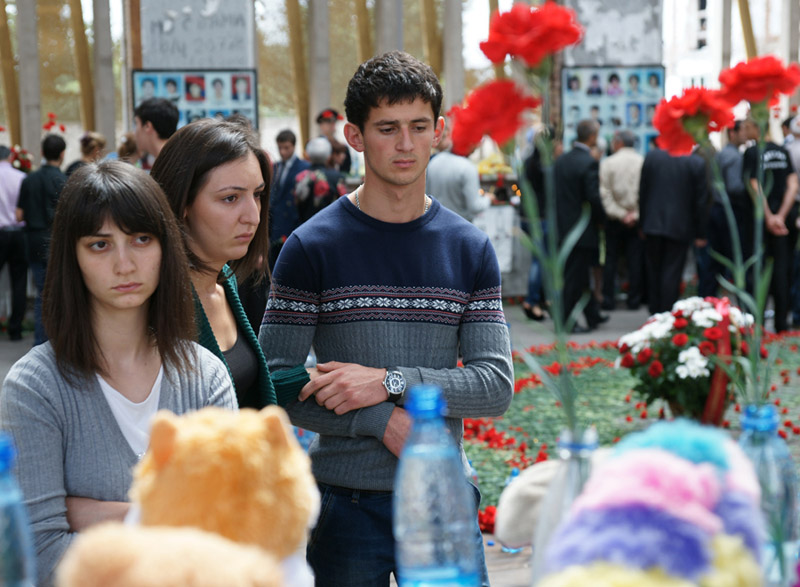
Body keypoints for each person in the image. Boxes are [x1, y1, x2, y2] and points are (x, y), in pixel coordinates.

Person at [259, 50, 513, 586]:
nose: (405, 145)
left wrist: (389, 383)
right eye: (387, 128)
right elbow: (275, 381)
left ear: (439, 131)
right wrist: (383, 421)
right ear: (354, 135)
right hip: (341, 503)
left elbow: (494, 386)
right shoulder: (310, 247)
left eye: (419, 127)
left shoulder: (469, 248)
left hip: (442, 493)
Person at [0, 161, 237, 586]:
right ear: (72, 256)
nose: (125, 264)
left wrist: (89, 512)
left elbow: (231, 532)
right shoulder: (35, 385)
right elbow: (38, 553)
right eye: (99, 244)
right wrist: (170, 521)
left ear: (165, 247)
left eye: (141, 239)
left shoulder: (206, 376)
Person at [151, 118, 305, 409]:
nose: (253, 216)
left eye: (257, 195)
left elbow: (246, 389)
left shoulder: (228, 279)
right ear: (182, 204)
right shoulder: (150, 299)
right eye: (230, 198)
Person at [742, 117, 798, 333]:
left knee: (758, 272)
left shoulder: (752, 153)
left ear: (757, 128)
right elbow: (792, 185)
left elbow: (754, 185)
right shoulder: (782, 151)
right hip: (783, 224)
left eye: (747, 127)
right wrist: (781, 216)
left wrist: (768, 216)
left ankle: (758, 326)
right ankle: (782, 326)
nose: (744, 131)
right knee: (782, 273)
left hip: (760, 226)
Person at [639, 143, 708, 314]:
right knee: (672, 271)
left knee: (654, 271)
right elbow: (701, 201)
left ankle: (655, 313)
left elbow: (642, 192)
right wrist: (701, 232)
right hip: (680, 225)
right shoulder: (695, 162)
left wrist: (642, 223)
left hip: (652, 224)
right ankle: (665, 314)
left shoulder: (652, 157)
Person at [554, 119, 608, 333]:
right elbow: (593, 198)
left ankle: (592, 315)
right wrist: (602, 221)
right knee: (574, 278)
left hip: (563, 228)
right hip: (582, 230)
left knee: (577, 275)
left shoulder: (561, 161)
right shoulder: (588, 162)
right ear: (593, 137)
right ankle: (567, 322)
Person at [17, 134, 67, 346]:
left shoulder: (29, 179)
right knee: (60, 293)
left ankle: (40, 342)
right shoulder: (64, 181)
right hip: (56, 242)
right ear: (62, 154)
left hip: (33, 239)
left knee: (41, 293)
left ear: (42, 153)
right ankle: (59, 340)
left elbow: (19, 215)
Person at [599, 130, 645, 310]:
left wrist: (619, 214)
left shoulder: (608, 163)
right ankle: (634, 300)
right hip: (635, 219)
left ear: (618, 143)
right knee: (635, 260)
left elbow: (605, 195)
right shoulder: (642, 162)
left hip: (614, 219)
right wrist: (634, 215)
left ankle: (608, 300)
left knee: (610, 260)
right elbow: (646, 193)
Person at [425, 120, 491, 222]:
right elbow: (475, 207)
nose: (476, 149)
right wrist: (488, 198)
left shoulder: (433, 162)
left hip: (435, 224)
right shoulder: (468, 168)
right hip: (459, 227)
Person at [269, 129, 310, 270]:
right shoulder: (275, 167)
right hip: (276, 224)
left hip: (294, 222)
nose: (282, 152)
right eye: (280, 148)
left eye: (286, 148)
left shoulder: (304, 167)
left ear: (293, 146)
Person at [0, 146, 27, 340]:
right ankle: (15, 328)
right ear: (10, 157)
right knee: (19, 281)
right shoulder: (21, 177)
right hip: (19, 232)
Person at [294, 137, 347, 225]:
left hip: (306, 228)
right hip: (331, 227)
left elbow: (298, 207)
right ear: (329, 156)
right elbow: (344, 204)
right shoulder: (337, 177)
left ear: (308, 155)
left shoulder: (300, 177)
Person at [133, 98, 179, 163]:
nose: (134, 132)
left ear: (147, 126)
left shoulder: (169, 165)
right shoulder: (177, 158)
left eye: (136, 124)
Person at [317, 108, 352, 174]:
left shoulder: (343, 147)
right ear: (321, 125)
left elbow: (346, 171)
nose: (332, 125)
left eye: (334, 122)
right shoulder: (314, 145)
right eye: (328, 121)